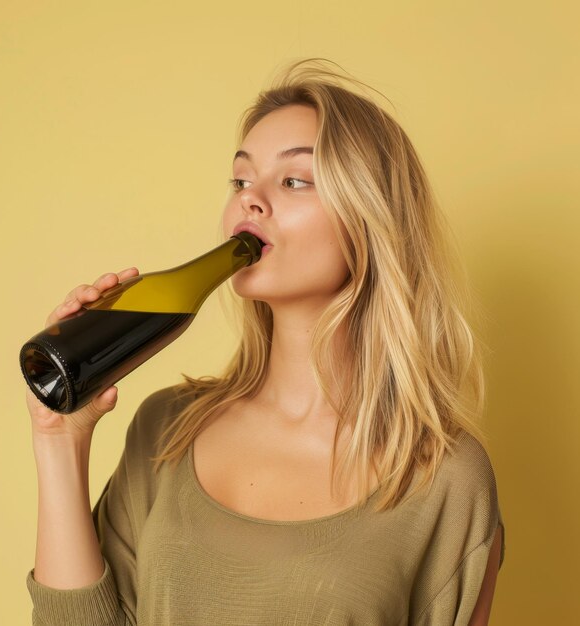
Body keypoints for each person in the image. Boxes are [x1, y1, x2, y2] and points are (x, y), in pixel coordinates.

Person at [25, 59, 505, 625]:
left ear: (372, 221)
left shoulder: (443, 478)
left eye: (295, 180)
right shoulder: (168, 428)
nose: (249, 200)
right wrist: (59, 439)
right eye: (241, 180)